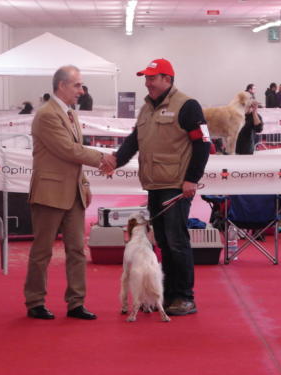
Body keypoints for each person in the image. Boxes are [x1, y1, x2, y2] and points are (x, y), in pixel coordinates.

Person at [102, 58, 210, 316]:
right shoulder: (146, 109)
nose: (147, 83)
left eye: (153, 78)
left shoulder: (188, 106)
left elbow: (203, 144)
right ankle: (165, 296)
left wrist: (192, 179)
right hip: (154, 185)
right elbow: (134, 140)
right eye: (146, 78)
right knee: (162, 242)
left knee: (176, 242)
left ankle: (184, 297)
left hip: (175, 186)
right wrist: (116, 161)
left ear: (168, 79)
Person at [24, 65, 110, 320]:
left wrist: (84, 184)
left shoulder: (70, 113)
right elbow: (68, 150)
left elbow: (74, 155)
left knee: (76, 250)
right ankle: (35, 301)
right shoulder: (47, 115)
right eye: (77, 85)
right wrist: (104, 158)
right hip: (49, 192)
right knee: (42, 252)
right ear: (61, 85)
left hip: (73, 193)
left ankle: (76, 302)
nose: (81, 91)